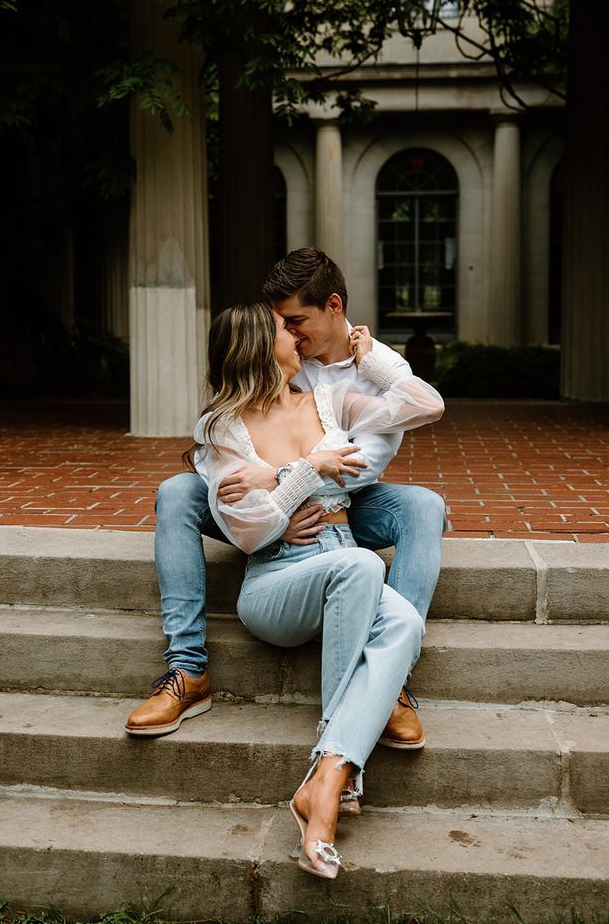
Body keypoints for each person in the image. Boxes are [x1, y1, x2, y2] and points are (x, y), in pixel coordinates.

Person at [125, 249, 446, 750]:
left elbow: (358, 467)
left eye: (297, 321)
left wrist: (276, 476)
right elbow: (247, 447)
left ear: (333, 306)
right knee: (176, 491)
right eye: (283, 327)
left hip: (348, 505)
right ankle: (186, 669)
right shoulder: (254, 393)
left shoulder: (373, 372)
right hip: (275, 525)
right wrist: (280, 489)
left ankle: (390, 682)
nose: (292, 335)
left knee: (424, 505)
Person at [191, 301, 444, 878]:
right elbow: (251, 531)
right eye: (284, 327)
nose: (296, 333)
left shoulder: (329, 402)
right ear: (261, 345)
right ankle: (336, 772)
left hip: (343, 558)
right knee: (361, 566)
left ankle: (329, 776)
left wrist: (373, 358)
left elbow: (426, 405)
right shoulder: (220, 428)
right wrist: (307, 469)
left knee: (403, 621)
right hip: (276, 582)